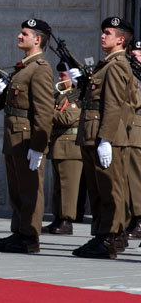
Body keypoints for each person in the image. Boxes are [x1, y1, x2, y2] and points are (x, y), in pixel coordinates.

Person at [0, 19, 54, 254]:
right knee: (17, 189)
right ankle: (19, 231)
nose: (19, 36)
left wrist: (38, 146)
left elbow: (44, 112)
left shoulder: (40, 69)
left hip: (27, 139)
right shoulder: (24, 68)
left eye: (24, 34)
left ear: (37, 39)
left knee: (29, 189)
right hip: (14, 137)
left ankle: (29, 236)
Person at [73, 17, 135, 259]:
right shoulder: (106, 65)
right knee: (98, 190)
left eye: (108, 33)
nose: (102, 35)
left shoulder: (117, 66)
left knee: (109, 189)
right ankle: (101, 235)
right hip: (93, 134)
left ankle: (109, 237)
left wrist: (106, 139)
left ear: (120, 40)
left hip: (105, 136)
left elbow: (113, 105)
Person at [41, 63, 82, 235]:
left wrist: (46, 112)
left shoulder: (76, 95)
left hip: (70, 147)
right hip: (59, 145)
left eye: (63, 76)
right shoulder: (60, 95)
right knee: (58, 187)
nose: (59, 79)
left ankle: (67, 221)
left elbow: (68, 118)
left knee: (68, 186)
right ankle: (58, 218)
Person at [127, 40, 141, 239]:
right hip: (129, 128)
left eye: (139, 54)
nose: (135, 57)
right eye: (133, 54)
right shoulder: (129, 74)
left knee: (136, 176)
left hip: (138, 129)